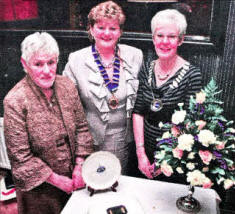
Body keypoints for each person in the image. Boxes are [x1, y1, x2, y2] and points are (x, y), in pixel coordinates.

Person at [3, 32, 93, 214]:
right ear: (25, 64)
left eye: (51, 62)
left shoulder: (67, 85)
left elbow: (82, 128)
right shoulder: (15, 100)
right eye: (38, 64)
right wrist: (60, 181)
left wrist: (80, 165)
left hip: (75, 180)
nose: (46, 70)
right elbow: (21, 159)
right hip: (40, 192)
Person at [63, 1, 143, 174]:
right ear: (91, 29)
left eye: (113, 28)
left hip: (123, 141)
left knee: (118, 186)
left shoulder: (135, 56)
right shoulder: (76, 60)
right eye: (101, 27)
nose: (107, 33)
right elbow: (68, 107)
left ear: (120, 32)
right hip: (89, 142)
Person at [133, 9, 202, 179]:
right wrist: (140, 153)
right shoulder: (147, 68)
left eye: (171, 36)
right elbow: (138, 112)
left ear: (180, 40)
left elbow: (190, 124)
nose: (164, 42)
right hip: (144, 156)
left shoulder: (192, 75)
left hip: (175, 158)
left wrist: (166, 158)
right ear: (153, 38)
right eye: (160, 35)